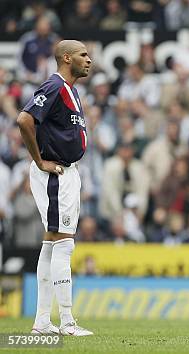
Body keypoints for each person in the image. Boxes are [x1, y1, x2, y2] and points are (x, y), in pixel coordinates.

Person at [16, 40, 94, 336]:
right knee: (64, 243)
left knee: (51, 244)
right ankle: (67, 323)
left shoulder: (70, 89)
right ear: (66, 57)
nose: (89, 60)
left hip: (65, 172)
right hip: (55, 172)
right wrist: (40, 161)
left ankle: (42, 323)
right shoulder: (54, 86)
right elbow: (24, 119)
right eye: (83, 55)